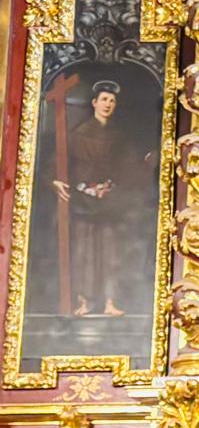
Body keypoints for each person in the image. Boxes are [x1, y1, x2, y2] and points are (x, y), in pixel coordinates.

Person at [51, 80, 146, 318]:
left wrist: (149, 162)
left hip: (111, 202)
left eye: (112, 101)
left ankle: (110, 301)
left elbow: (130, 168)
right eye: (104, 99)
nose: (108, 104)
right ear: (94, 103)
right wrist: (53, 181)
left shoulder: (120, 136)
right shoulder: (77, 134)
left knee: (111, 252)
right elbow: (56, 165)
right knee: (84, 251)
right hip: (83, 201)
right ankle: (85, 300)